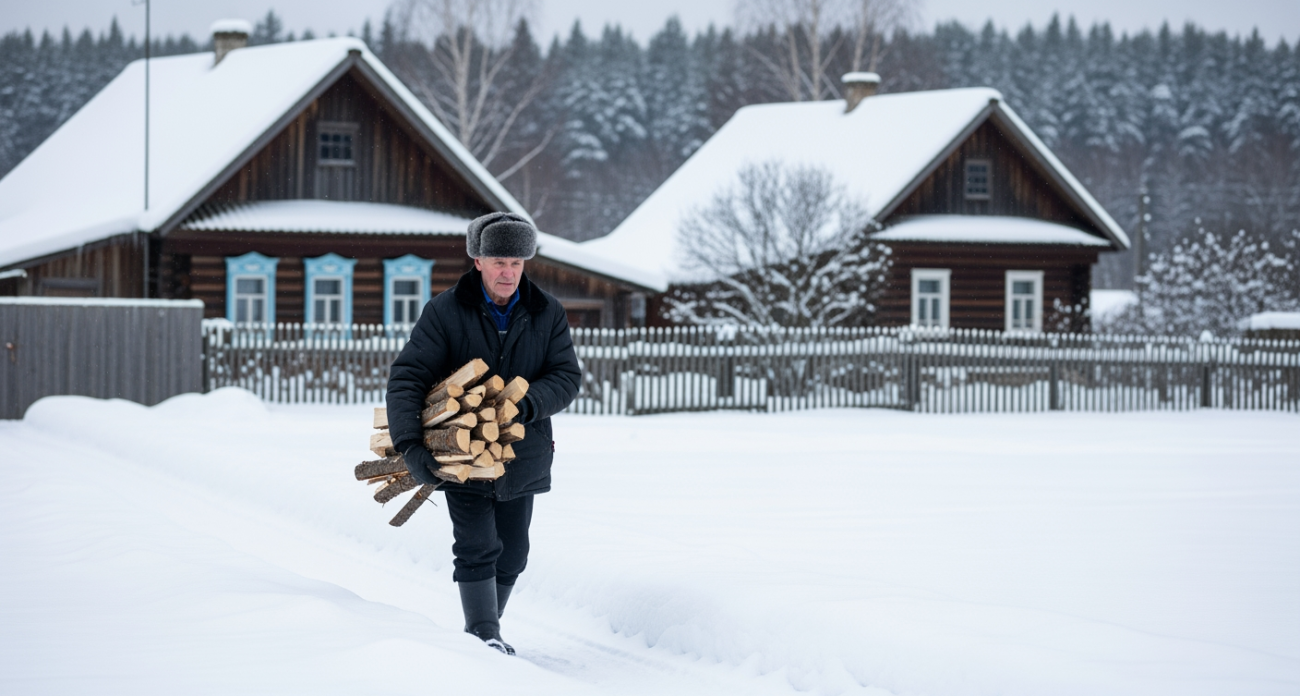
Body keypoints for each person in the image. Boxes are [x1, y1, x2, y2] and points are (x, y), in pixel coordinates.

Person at [385, 212, 581, 655]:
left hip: (522, 450)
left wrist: (526, 403)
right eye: (498, 261)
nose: (508, 272)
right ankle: (484, 635)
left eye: (516, 261)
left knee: (513, 553)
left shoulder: (546, 311)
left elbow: (566, 375)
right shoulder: (446, 310)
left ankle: (485, 629)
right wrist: (411, 445)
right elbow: (408, 378)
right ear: (477, 260)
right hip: (461, 450)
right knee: (477, 545)